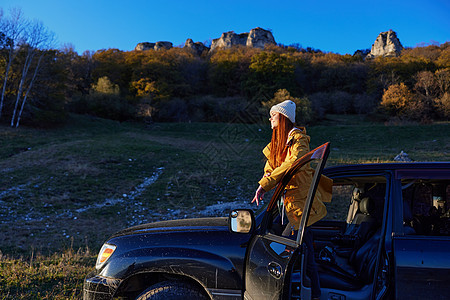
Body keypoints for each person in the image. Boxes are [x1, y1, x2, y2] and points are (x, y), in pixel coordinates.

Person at [251, 99, 332, 300]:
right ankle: (314, 293)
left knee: (282, 247)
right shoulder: (276, 144)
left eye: (274, 115)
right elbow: (270, 169)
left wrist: (267, 182)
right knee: (306, 250)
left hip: (301, 206)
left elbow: (293, 162)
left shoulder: (298, 139)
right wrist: (263, 185)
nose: (270, 118)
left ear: (284, 117)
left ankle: (281, 291)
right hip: (287, 207)